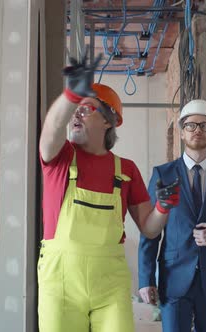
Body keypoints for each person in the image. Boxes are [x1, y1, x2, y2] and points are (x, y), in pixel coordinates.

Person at [37, 52, 180, 332]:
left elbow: (150, 229)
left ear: (108, 121)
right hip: (61, 281)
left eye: (86, 108)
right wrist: (71, 94)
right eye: (75, 108)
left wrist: (163, 208)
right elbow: (52, 127)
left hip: (109, 284)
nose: (76, 112)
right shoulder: (60, 158)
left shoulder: (125, 169)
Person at [138, 99, 206, 332]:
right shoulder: (163, 174)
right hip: (173, 277)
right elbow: (150, 230)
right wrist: (145, 279)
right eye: (191, 125)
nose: (197, 130)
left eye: (204, 125)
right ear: (182, 131)